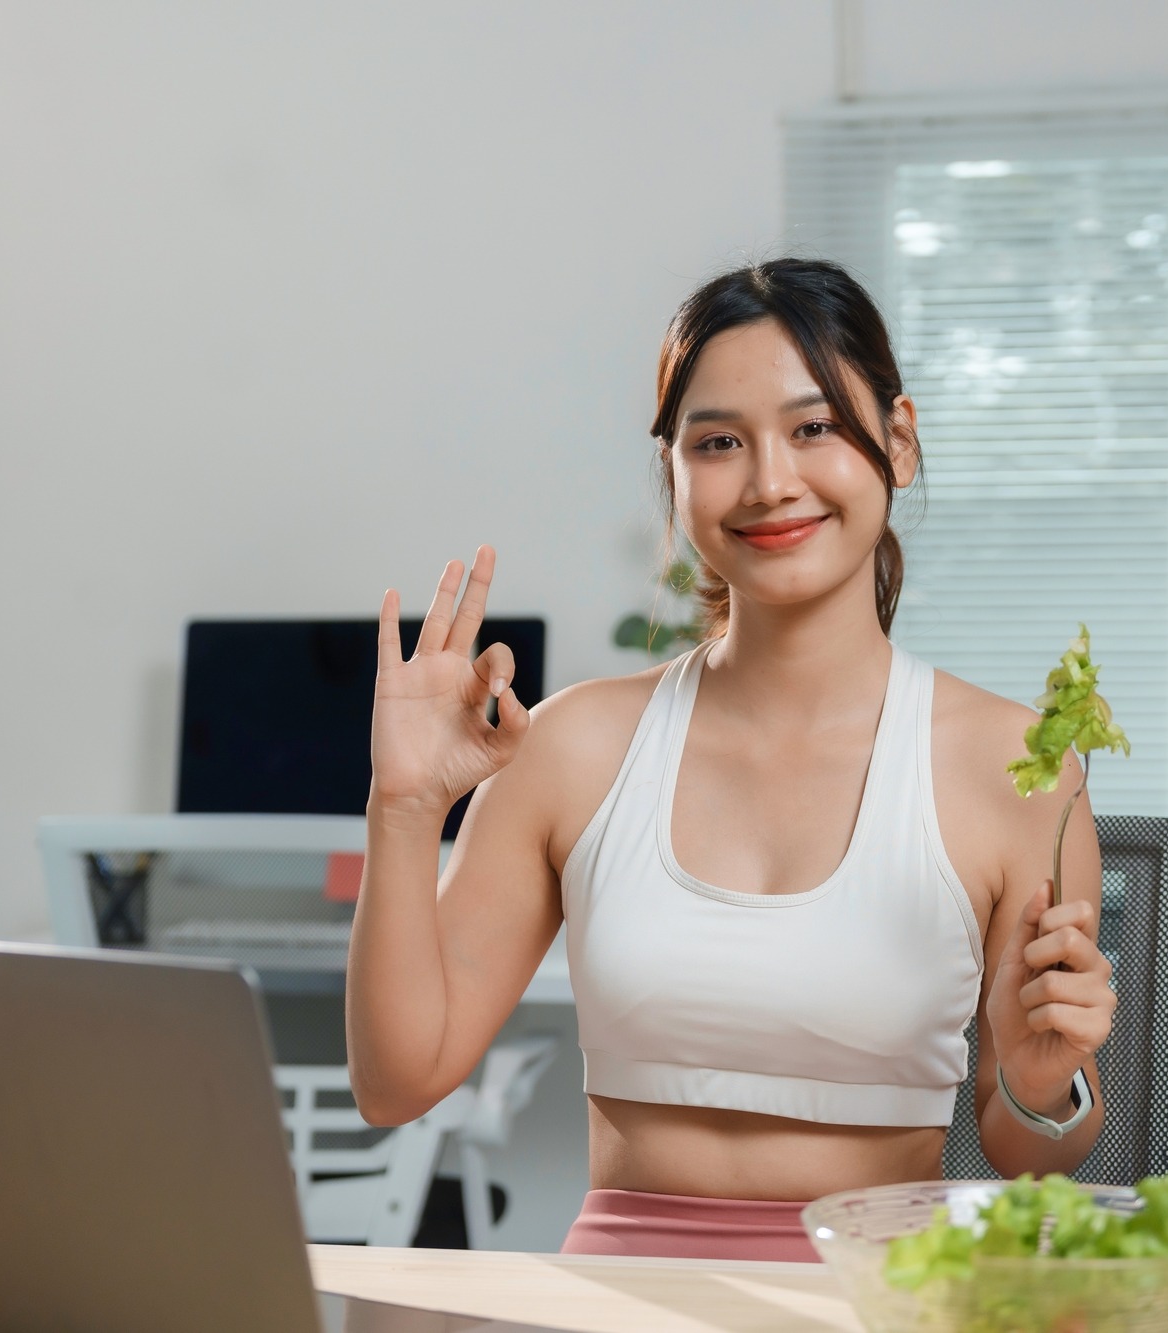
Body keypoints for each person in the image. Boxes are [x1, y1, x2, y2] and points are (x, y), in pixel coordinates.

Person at [346, 259, 1116, 1262]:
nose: (769, 482)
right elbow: (395, 1083)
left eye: (814, 427)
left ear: (898, 440)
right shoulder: (572, 747)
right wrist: (404, 807)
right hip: (622, 1303)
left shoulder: (1015, 767)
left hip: (876, 1299)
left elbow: (1027, 1154)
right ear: (672, 471)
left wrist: (1035, 1080)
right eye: (718, 442)